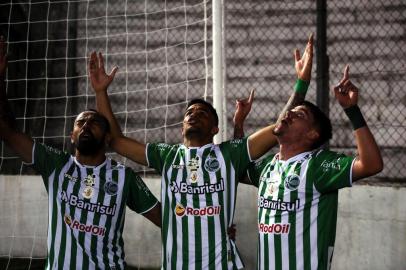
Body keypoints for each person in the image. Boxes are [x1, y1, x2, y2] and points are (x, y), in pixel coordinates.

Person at [88, 40, 284, 267]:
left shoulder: (228, 153)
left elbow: (280, 127)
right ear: (181, 128)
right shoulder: (167, 155)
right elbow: (117, 142)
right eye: (190, 112)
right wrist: (101, 91)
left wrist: (301, 83)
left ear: (214, 129)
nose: (194, 114)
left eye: (203, 113)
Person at [0, 37, 161, 270]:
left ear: (108, 139)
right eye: (80, 122)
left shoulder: (124, 177)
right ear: (72, 136)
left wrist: (211, 228)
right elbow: (7, 132)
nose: (86, 125)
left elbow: (165, 220)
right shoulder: (56, 164)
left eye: (94, 122)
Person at [235, 61, 383, 269]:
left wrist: (352, 110)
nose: (289, 114)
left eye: (300, 115)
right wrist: (238, 125)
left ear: (312, 134)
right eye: (291, 111)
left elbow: (372, 164)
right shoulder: (269, 166)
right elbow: (237, 168)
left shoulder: (317, 165)